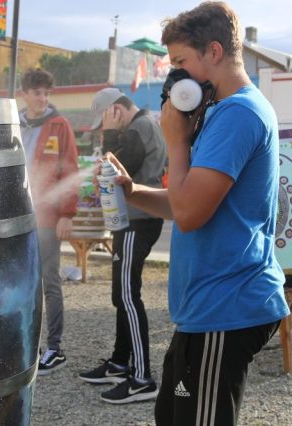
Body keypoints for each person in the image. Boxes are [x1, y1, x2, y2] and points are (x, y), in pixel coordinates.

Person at [104, 2, 290, 424]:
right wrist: (133, 191)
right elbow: (186, 200)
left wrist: (177, 141)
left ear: (214, 52)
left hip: (225, 306)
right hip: (206, 310)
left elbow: (189, 215)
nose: (175, 76)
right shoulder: (220, 112)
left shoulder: (239, 114)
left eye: (180, 62)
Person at [79, 88, 166, 404]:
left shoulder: (139, 127)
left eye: (104, 121)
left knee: (127, 296)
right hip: (133, 220)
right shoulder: (144, 125)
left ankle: (142, 379)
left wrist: (111, 135)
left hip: (137, 222)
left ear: (115, 110)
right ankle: (119, 363)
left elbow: (117, 167)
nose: (103, 129)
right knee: (123, 294)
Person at [19, 68, 79, 376]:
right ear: (24, 94)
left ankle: (55, 348)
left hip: (46, 218)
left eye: (47, 93)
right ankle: (25, 345)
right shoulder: (14, 123)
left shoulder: (59, 126)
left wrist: (67, 214)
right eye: (37, 93)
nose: (42, 99)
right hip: (18, 218)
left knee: (49, 281)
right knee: (21, 282)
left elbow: (70, 170)